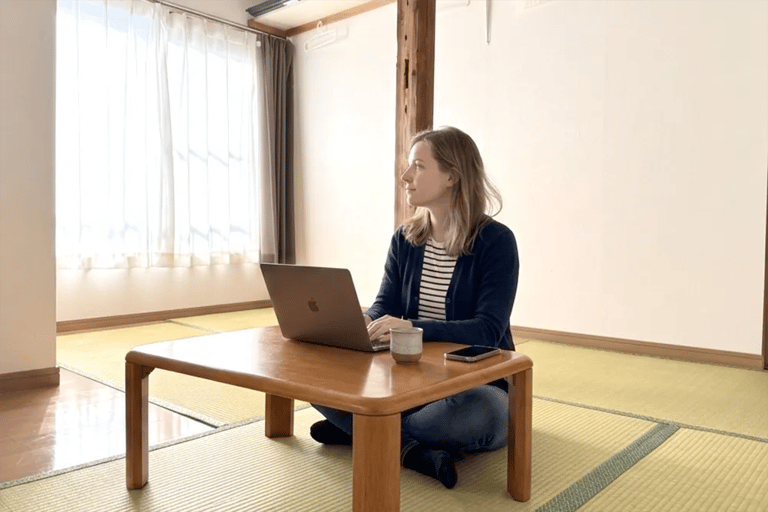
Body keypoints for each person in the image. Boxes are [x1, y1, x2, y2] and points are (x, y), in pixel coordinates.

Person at [309, 126, 519, 489]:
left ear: (452, 175)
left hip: (472, 384)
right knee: (313, 378)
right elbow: (384, 304)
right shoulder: (405, 238)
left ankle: (363, 428)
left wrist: (411, 327)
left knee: (489, 414)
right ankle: (410, 450)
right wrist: (361, 321)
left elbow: (488, 330)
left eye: (418, 166)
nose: (405, 176)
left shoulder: (496, 241)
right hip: (407, 381)